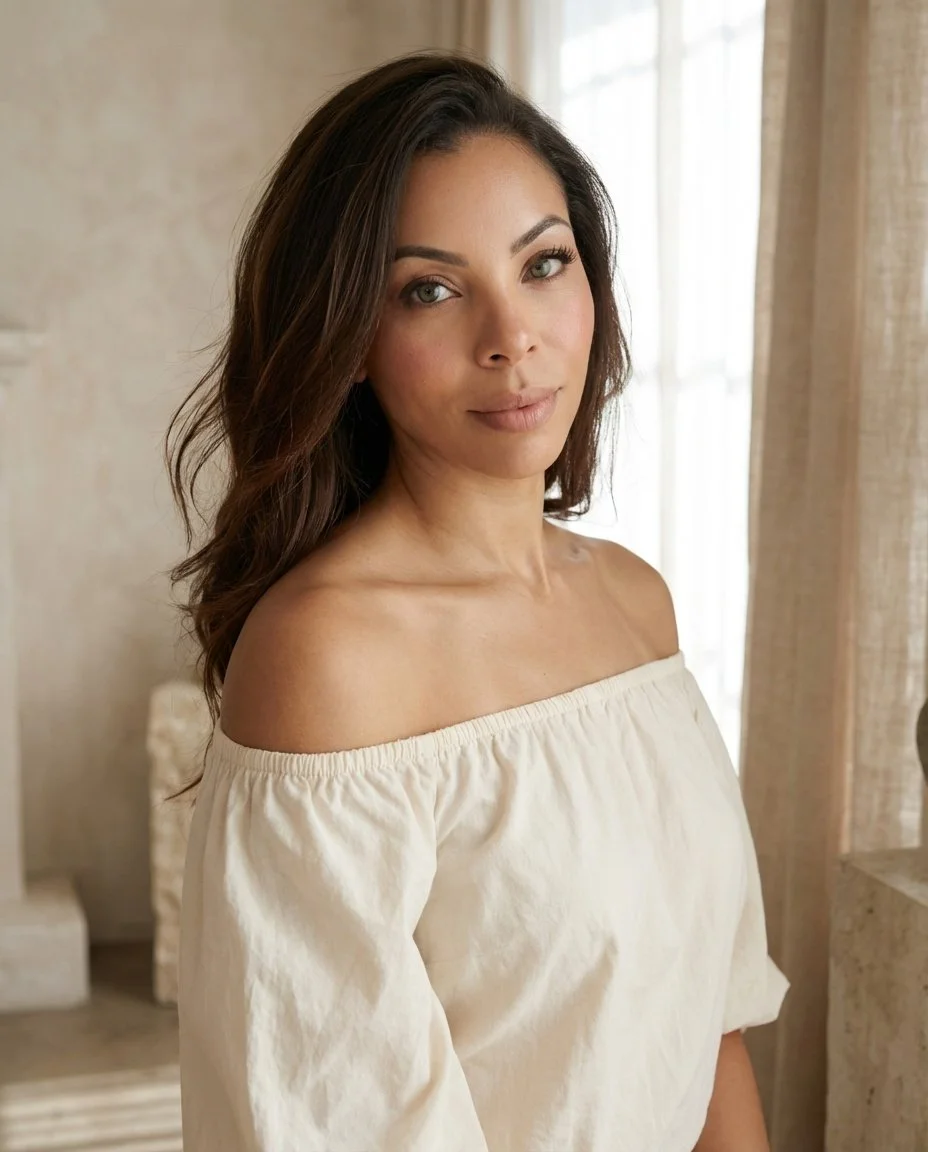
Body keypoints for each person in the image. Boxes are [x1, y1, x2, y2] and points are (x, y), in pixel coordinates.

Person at [166, 49, 789, 1152]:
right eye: (431, 290)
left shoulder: (637, 606)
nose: (512, 336)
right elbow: (335, 1122)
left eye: (543, 264)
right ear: (348, 338)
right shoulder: (326, 658)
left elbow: (710, 1028)